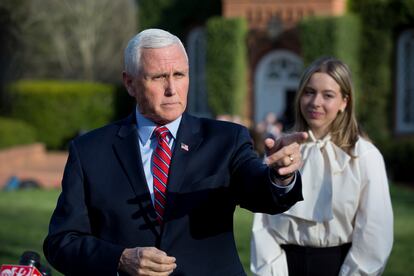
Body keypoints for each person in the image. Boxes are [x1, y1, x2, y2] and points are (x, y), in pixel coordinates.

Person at [43, 28, 308, 276]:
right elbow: (61, 242)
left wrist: (280, 176)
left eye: (179, 75)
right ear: (130, 83)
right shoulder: (90, 151)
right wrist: (120, 259)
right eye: (159, 77)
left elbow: (261, 192)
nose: (172, 89)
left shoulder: (225, 139)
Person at [250, 57, 394, 276]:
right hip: (284, 267)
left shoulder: (364, 156)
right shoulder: (282, 150)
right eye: (309, 92)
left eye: (328, 95)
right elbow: (262, 225)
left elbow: (375, 233)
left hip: (341, 266)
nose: (315, 102)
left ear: (344, 102)